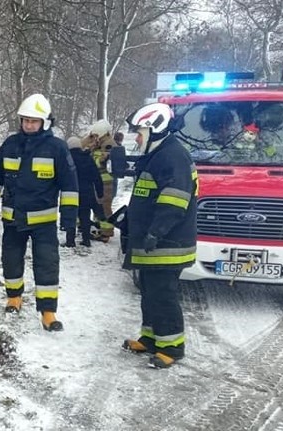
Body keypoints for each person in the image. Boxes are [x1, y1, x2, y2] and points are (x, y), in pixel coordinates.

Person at [0, 94, 79, 332]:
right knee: (11, 260)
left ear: (45, 122)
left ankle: (48, 312)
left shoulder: (57, 148)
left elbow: (70, 186)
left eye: (34, 121)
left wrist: (69, 218)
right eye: (25, 120)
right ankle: (14, 297)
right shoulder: (10, 144)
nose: (29, 125)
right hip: (13, 219)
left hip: (44, 222)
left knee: (47, 265)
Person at [121, 102, 198, 369]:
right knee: (150, 291)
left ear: (155, 129)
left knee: (163, 294)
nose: (136, 137)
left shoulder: (172, 156)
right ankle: (152, 338)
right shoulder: (157, 154)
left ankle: (172, 347)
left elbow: (175, 201)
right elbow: (147, 195)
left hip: (167, 243)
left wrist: (156, 231)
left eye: (139, 131)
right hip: (154, 243)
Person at [65, 136, 105, 247]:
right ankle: (86, 240)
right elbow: (97, 177)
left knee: (71, 216)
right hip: (87, 191)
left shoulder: (67, 159)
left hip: (71, 192)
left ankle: (70, 241)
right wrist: (100, 193)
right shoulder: (88, 158)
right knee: (85, 216)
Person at [83, 120, 116, 242]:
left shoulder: (109, 145)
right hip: (99, 181)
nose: (95, 138)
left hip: (106, 182)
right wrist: (89, 139)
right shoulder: (99, 143)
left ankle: (106, 232)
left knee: (105, 207)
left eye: (96, 135)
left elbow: (102, 162)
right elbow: (82, 145)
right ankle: (100, 229)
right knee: (99, 205)